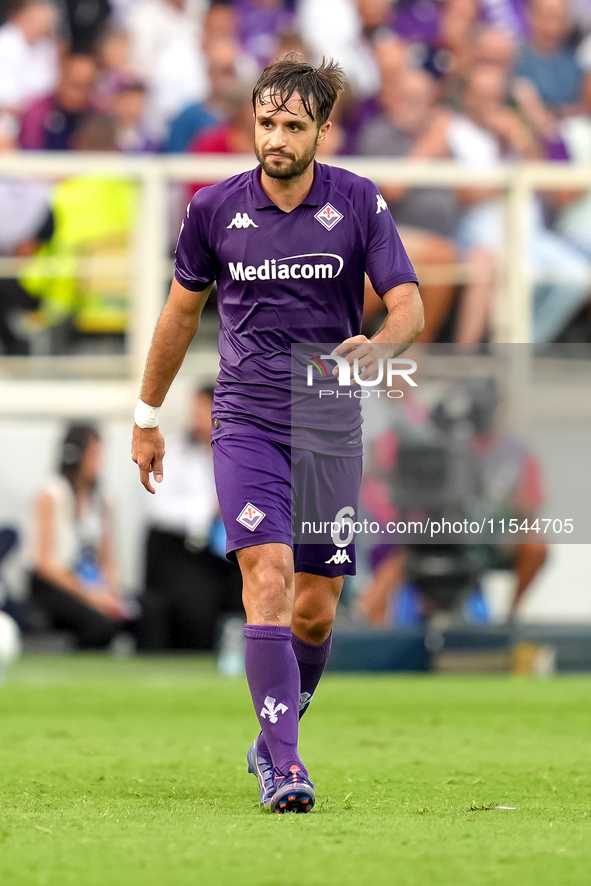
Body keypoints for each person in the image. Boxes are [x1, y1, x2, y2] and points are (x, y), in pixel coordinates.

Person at [131, 55, 424, 814]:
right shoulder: (211, 208)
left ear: (322, 130)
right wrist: (147, 416)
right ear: (252, 122)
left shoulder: (358, 202)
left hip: (326, 420)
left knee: (316, 608)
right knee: (266, 577)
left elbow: (408, 309)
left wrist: (383, 347)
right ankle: (286, 768)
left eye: (294, 125)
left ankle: (273, 732)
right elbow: (178, 317)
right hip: (247, 419)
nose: (277, 138)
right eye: (267, 122)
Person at [143, 386, 243, 649]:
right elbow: (158, 507)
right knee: (198, 606)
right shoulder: (174, 450)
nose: (195, 419)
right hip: (181, 548)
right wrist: (210, 509)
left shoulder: (239, 451)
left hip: (229, 544)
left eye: (201, 411)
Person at [29, 423, 137, 648]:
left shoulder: (102, 501)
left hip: (92, 583)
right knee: (100, 625)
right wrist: (91, 596)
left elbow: (108, 558)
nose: (99, 462)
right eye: (93, 454)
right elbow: (45, 563)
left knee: (147, 612)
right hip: (57, 584)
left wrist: (110, 591)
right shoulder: (51, 495)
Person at [18, 52, 97, 150]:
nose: (78, 95)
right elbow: (29, 157)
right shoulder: (37, 113)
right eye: (74, 85)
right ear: (61, 79)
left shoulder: (96, 116)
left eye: (86, 87)